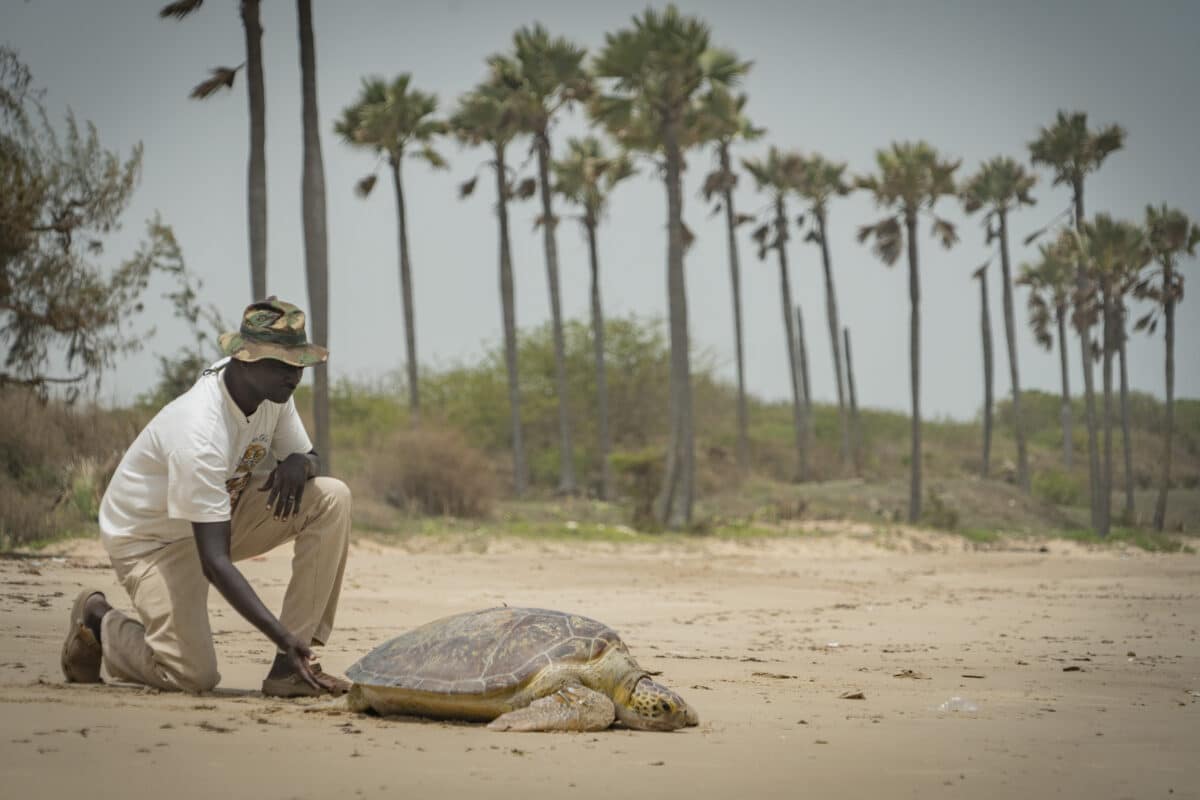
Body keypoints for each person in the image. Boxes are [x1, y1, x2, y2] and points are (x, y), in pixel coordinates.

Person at [60, 297, 351, 697]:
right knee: (191, 676)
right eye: (284, 364)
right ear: (246, 359)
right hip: (152, 540)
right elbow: (214, 562)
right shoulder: (199, 430)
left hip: (218, 513)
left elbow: (309, 457)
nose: (295, 375)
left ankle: (289, 670)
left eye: (298, 363)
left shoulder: (274, 393)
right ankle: (97, 621)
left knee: (332, 498)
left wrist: (302, 463)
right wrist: (280, 634)